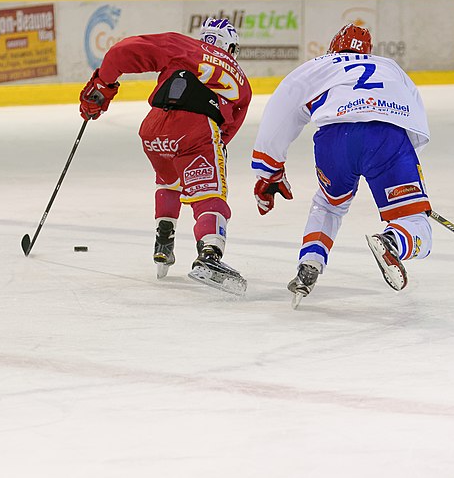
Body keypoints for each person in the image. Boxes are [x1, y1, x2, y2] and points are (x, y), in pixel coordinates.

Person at [251, 24, 433, 308]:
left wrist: (269, 168)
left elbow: (281, 107)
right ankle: (394, 242)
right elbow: (416, 118)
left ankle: (309, 264)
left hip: (336, 139)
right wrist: (410, 184)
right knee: (417, 224)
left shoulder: (319, 65)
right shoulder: (390, 67)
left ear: (334, 46)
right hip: (387, 137)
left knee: (328, 204)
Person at [78, 18, 252, 295]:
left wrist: (102, 85)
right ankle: (210, 254)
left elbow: (122, 52)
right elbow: (225, 132)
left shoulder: (183, 46)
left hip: (153, 130)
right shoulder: (242, 81)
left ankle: (164, 240)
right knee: (208, 193)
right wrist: (200, 150)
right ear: (230, 46)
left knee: (168, 177)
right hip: (196, 131)